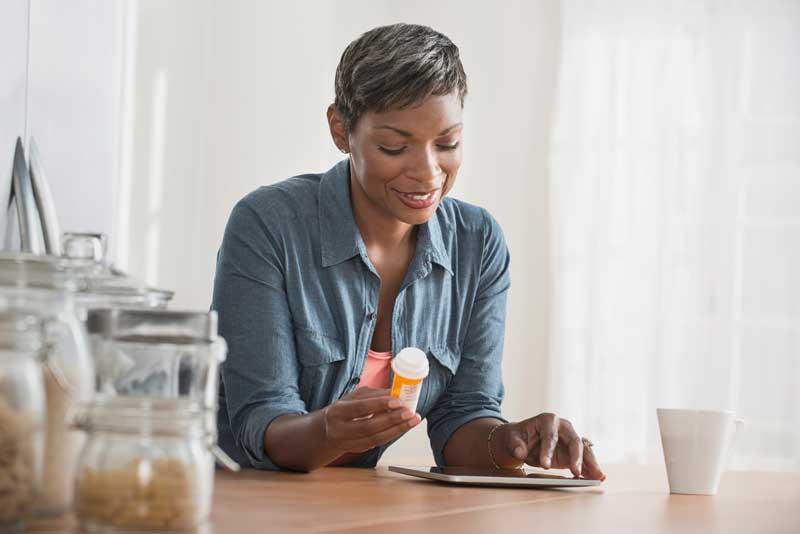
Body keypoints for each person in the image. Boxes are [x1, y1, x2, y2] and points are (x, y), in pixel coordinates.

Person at [212, 22, 605, 480]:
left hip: (352, 505)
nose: (427, 172)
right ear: (341, 130)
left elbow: (463, 416)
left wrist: (510, 442)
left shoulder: (477, 244)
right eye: (394, 147)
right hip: (238, 497)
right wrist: (328, 430)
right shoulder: (268, 225)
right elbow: (262, 423)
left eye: (448, 143)